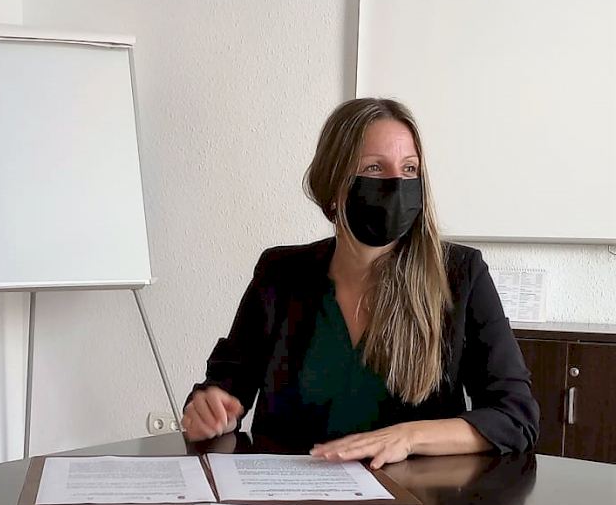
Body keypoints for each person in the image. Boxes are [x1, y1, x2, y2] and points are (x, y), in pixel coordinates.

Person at [182, 98, 538, 467]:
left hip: (411, 498)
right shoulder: (280, 272)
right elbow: (226, 385)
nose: (396, 184)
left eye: (410, 169)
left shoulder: (461, 274)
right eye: (374, 168)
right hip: (288, 494)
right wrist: (209, 408)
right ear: (333, 183)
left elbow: (515, 417)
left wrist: (408, 437)